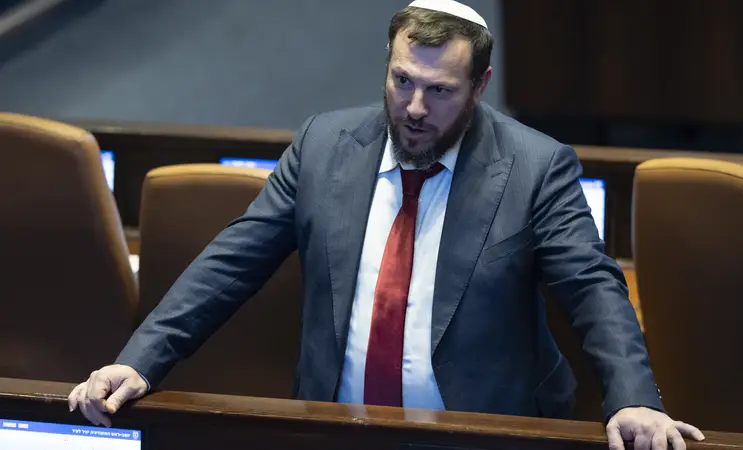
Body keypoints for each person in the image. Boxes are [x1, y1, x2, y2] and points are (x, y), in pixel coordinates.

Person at [69, 1, 704, 449]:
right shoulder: (323, 145)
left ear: (480, 85)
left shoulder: (536, 166)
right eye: (402, 81)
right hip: (337, 430)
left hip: (481, 433)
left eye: (440, 90)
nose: (415, 108)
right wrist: (140, 362)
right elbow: (231, 262)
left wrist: (634, 397)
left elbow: (592, 285)